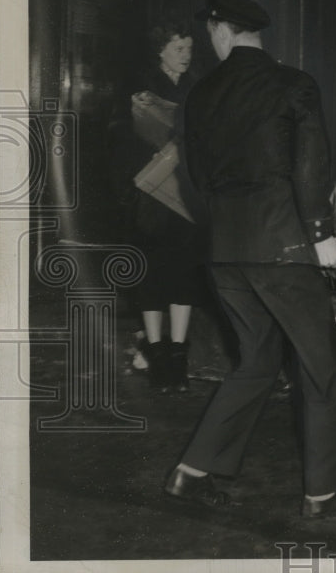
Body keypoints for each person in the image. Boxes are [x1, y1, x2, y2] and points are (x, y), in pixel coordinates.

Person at [164, 0, 336, 518]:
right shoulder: (293, 85)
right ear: (252, 31)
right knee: (323, 365)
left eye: (208, 33)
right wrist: (325, 236)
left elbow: (195, 176)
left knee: (255, 362)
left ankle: (191, 473)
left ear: (220, 30)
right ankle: (325, 492)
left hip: (225, 249)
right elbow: (311, 169)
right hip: (282, 246)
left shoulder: (199, 94)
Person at [110, 20, 206, 393]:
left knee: (185, 275)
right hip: (150, 195)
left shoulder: (197, 87)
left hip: (186, 195)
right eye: (179, 48)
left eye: (190, 49)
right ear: (160, 49)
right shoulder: (138, 90)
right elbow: (119, 142)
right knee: (151, 277)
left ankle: (178, 357)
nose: (186, 56)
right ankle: (158, 357)